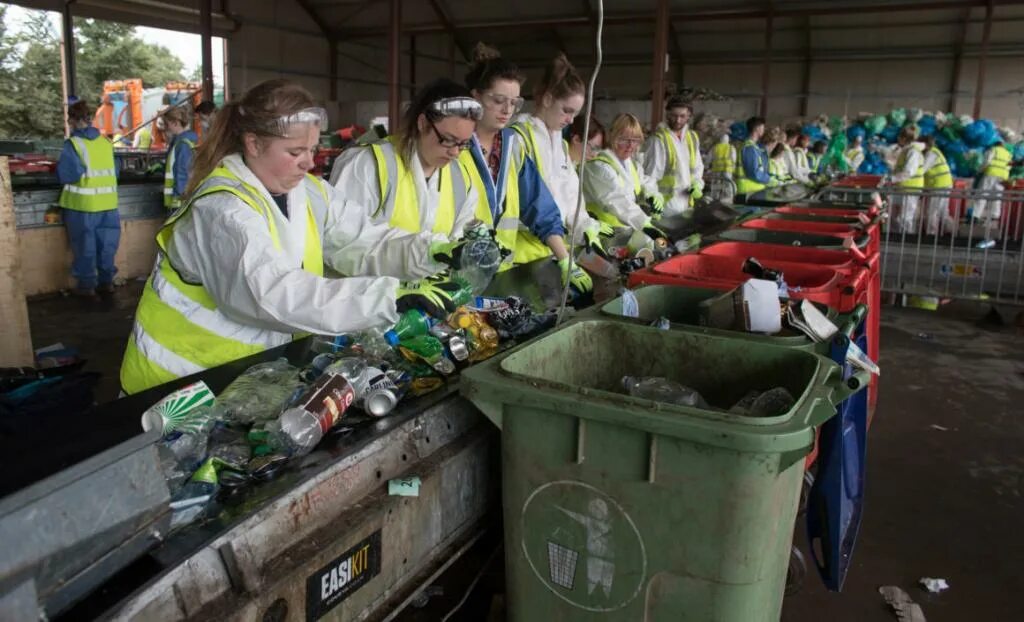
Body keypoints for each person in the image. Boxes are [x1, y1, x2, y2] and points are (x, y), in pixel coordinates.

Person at [119, 79, 454, 395]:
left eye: (311, 149)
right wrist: (387, 299)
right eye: (295, 153)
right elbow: (272, 292)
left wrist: (432, 252)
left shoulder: (309, 193)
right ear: (253, 143)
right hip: (173, 389)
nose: (307, 163)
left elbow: (365, 241)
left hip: (243, 385)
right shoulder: (222, 210)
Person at [459, 44, 591, 292]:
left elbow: (539, 206)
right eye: (498, 101)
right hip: (458, 273)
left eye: (514, 102)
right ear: (475, 97)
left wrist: (565, 259)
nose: (507, 110)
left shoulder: (512, 147)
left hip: (501, 270)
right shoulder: (455, 147)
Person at [328, 79, 482, 280]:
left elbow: (460, 242)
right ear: (422, 123)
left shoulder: (461, 177)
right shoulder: (368, 165)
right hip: (368, 303)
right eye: (447, 140)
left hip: (427, 301)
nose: (454, 152)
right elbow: (340, 244)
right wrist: (424, 253)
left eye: (463, 144)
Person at [510, 53, 607, 255]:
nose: (571, 120)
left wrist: (585, 226)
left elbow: (570, 196)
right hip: (521, 250)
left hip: (552, 246)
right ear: (547, 99)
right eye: (567, 111)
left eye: (575, 114)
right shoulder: (519, 138)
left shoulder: (560, 145)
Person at [56, 99, 120, 299]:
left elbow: (67, 175)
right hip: (109, 206)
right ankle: (106, 283)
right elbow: (115, 170)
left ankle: (86, 286)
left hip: (82, 207)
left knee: (85, 247)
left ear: (73, 120)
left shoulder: (73, 144)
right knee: (107, 246)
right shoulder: (106, 143)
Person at [583, 113, 666, 243]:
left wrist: (652, 195)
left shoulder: (631, 164)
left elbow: (644, 182)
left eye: (635, 140)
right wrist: (644, 223)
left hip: (624, 233)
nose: (630, 145)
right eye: (624, 139)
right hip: (600, 235)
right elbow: (616, 199)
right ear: (611, 136)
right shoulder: (598, 166)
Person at [642, 96, 704, 216]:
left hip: (687, 204)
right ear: (667, 114)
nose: (678, 120)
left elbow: (697, 168)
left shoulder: (692, 138)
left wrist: (698, 184)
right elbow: (650, 176)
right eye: (674, 116)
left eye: (682, 116)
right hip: (665, 208)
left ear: (689, 116)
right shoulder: (658, 140)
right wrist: (653, 197)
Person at [972, 138, 1011, 241]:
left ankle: (976, 215)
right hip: (1002, 177)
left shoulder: (993, 150)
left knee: (982, 194)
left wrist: (979, 171)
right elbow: (1008, 167)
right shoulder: (1008, 154)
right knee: (997, 197)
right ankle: (995, 215)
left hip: (990, 174)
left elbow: (986, 162)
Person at [888, 126, 925, 233]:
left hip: (910, 189)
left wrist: (892, 179)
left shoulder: (913, 152)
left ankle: (905, 241)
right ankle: (896, 240)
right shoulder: (905, 151)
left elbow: (909, 172)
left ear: (904, 139)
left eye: (899, 137)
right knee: (895, 217)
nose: (898, 139)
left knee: (905, 218)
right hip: (902, 188)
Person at [160, 106, 199, 210]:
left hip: (179, 202)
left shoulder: (182, 144)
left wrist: (178, 196)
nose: (166, 128)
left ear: (175, 122)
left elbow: (182, 172)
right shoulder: (187, 141)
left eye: (167, 124)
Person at [735, 116, 771, 201]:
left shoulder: (754, 147)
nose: (764, 129)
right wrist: (768, 178)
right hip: (749, 191)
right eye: (763, 127)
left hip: (753, 190)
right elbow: (753, 173)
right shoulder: (750, 148)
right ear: (757, 128)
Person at [707, 131, 737, 204]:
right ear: (728, 140)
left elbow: (708, 159)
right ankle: (727, 202)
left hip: (716, 171)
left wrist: (707, 167)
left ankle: (715, 201)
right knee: (727, 187)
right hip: (727, 171)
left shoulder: (715, 147)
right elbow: (734, 159)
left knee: (716, 187)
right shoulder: (731, 148)